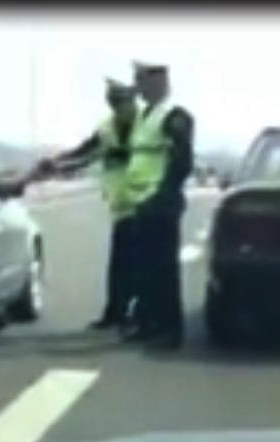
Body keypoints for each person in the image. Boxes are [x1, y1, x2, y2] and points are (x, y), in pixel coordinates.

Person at [23, 78, 141, 331]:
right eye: (114, 102)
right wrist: (55, 162)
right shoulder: (108, 128)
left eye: (122, 101)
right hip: (123, 205)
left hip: (147, 204)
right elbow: (84, 152)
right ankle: (116, 314)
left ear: (132, 100)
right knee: (120, 264)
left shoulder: (146, 126)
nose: (118, 107)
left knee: (141, 265)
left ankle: (139, 316)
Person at [121, 59, 194, 350]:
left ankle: (170, 330)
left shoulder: (174, 116)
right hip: (141, 202)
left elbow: (182, 161)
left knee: (163, 270)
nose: (137, 86)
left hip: (161, 205)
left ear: (158, 83)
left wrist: (162, 194)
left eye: (141, 80)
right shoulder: (145, 116)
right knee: (144, 269)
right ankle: (149, 323)